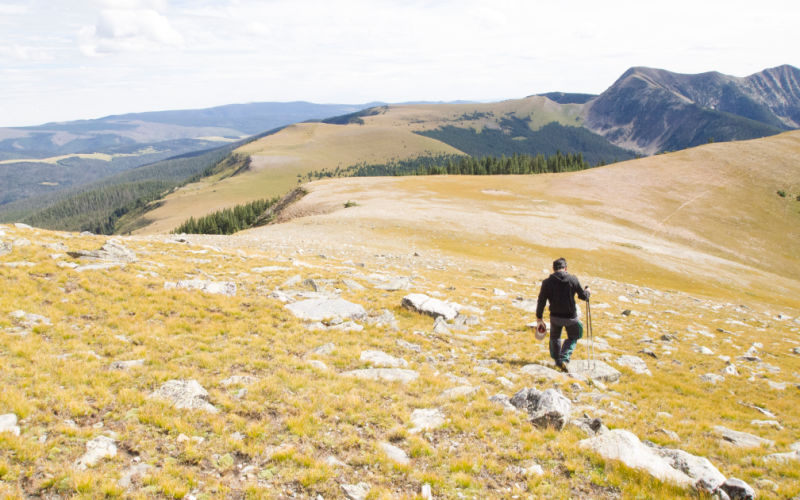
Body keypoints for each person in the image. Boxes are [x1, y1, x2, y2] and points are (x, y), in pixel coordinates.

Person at [536, 258, 590, 372]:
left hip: (555, 317)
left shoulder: (547, 282)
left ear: (553, 269)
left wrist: (539, 317)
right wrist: (588, 291)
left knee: (555, 337)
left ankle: (557, 360)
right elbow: (583, 296)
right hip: (571, 317)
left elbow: (541, 300)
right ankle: (564, 358)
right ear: (565, 268)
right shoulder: (572, 279)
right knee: (574, 336)